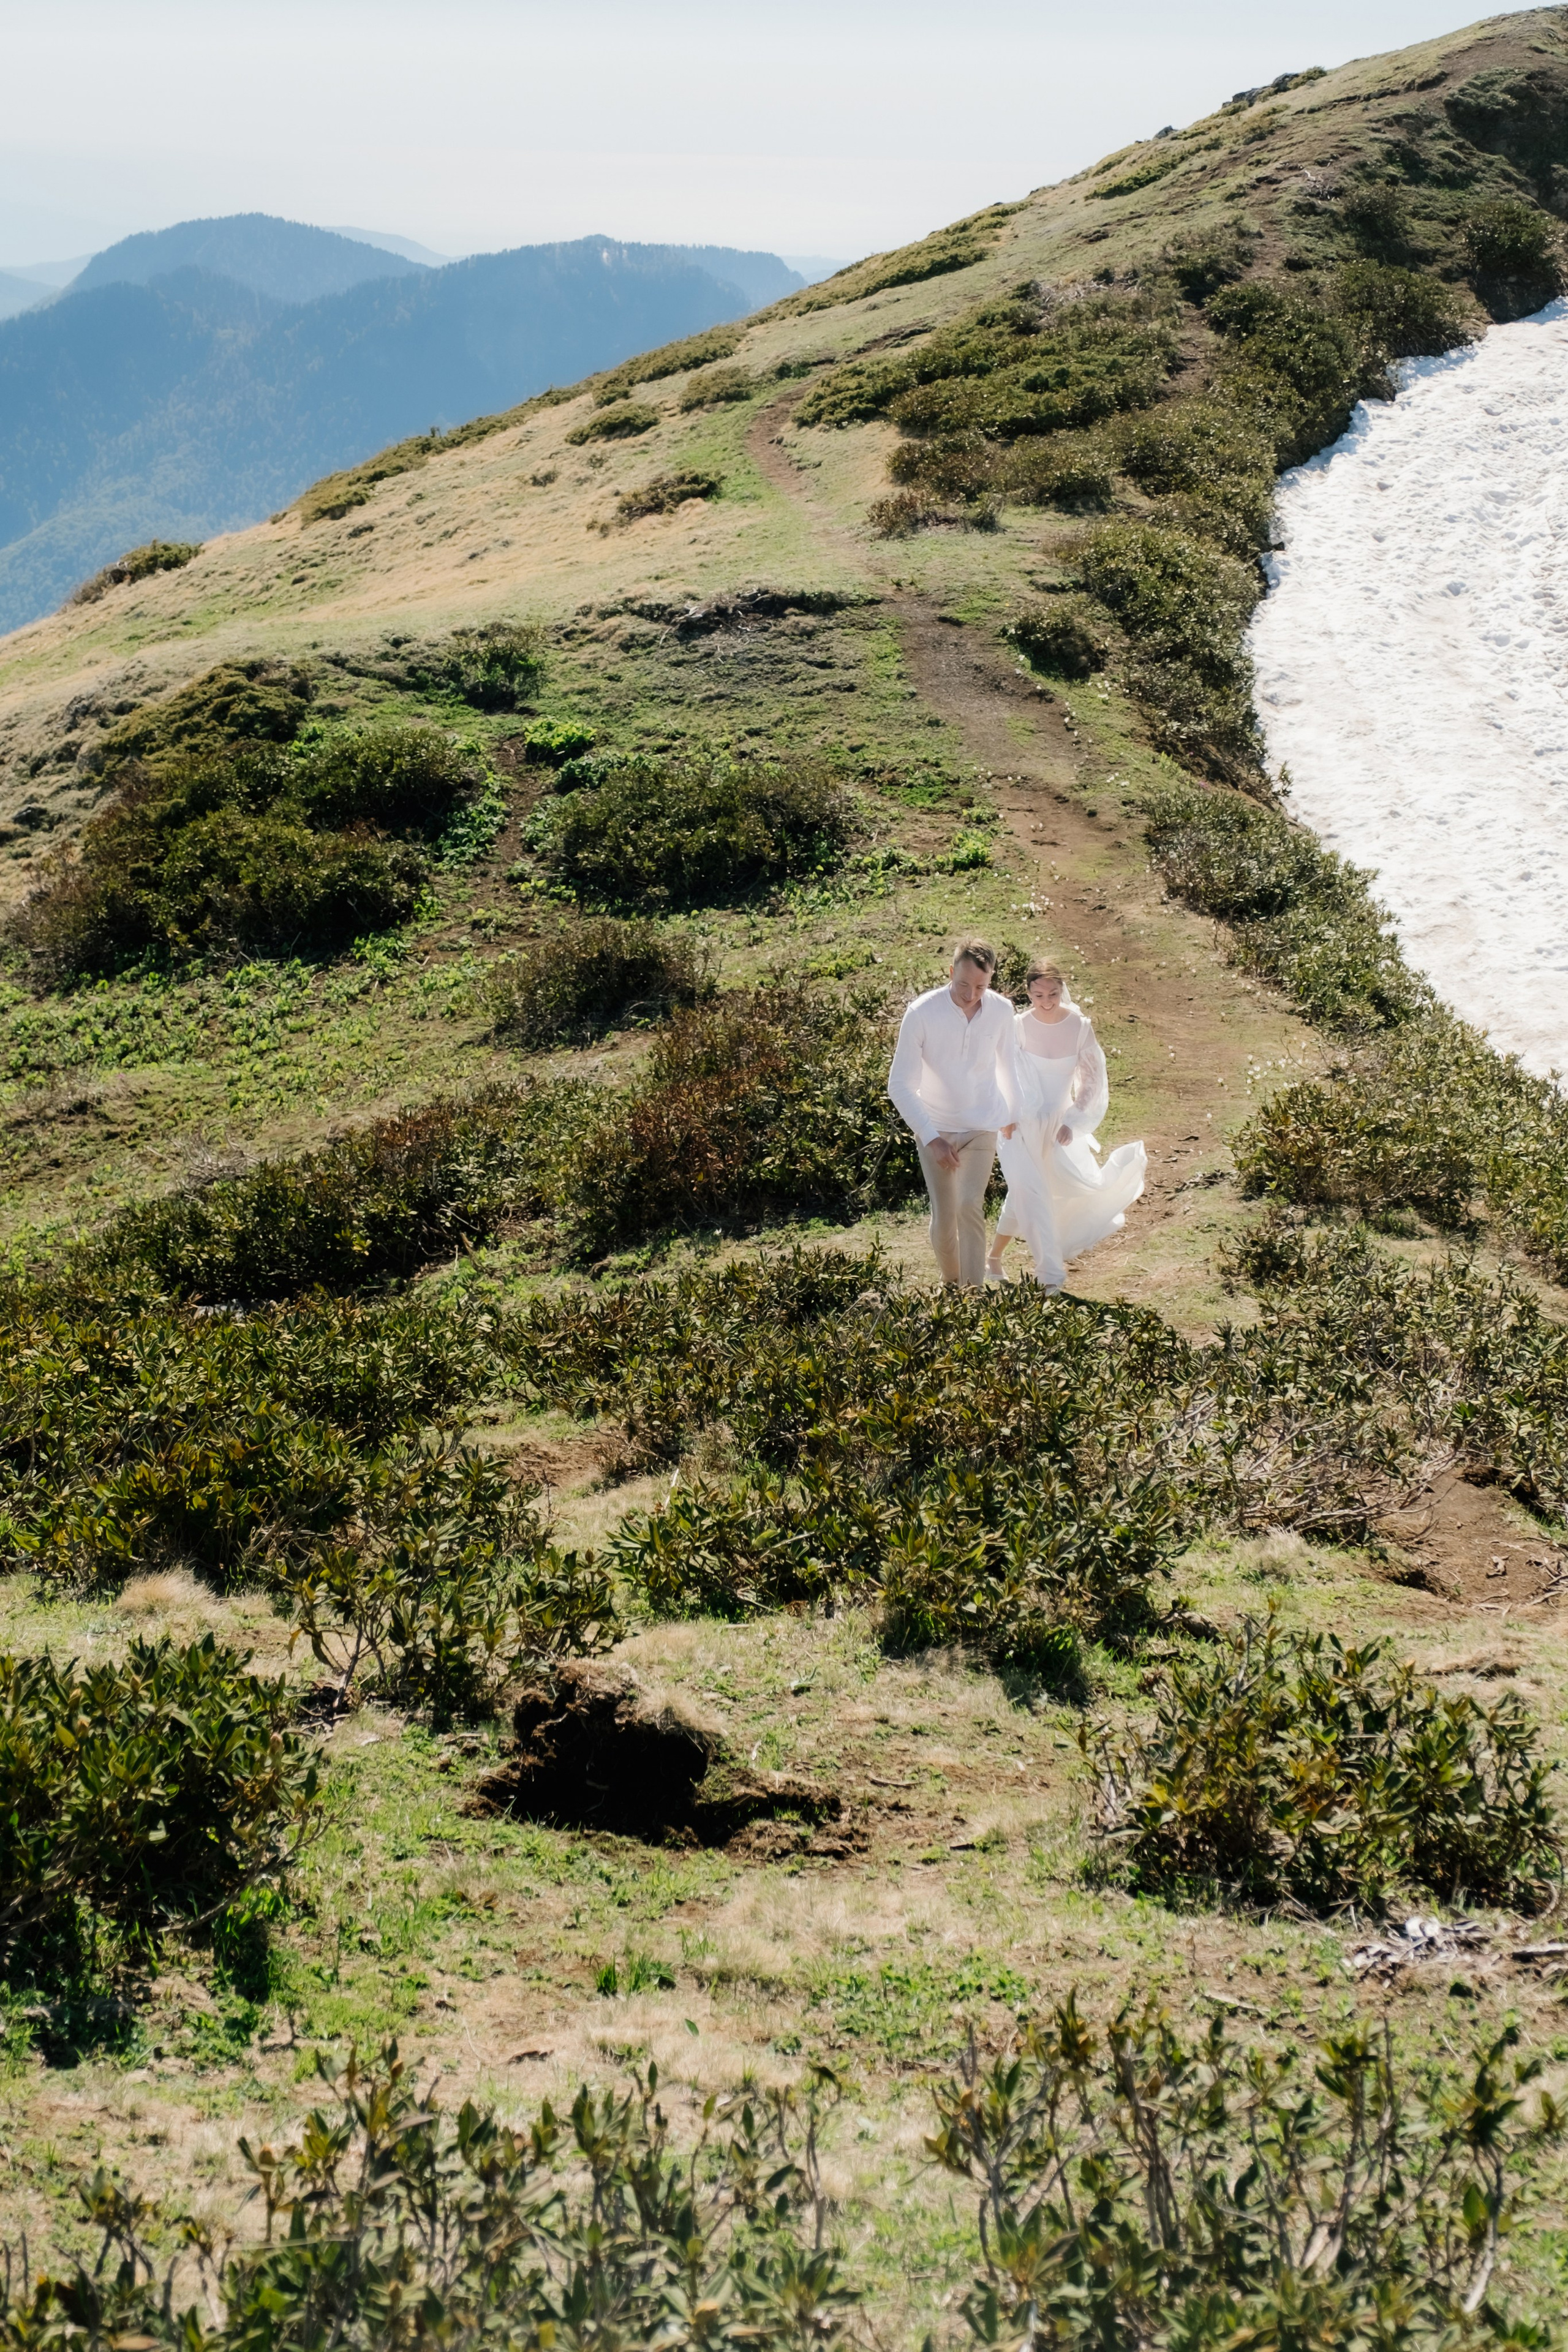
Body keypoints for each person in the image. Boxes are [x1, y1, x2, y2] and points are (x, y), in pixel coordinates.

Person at [986, 957, 1145, 1290]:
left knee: (1031, 1194)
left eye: (1053, 994)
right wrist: (1007, 1114)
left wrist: (1073, 1121)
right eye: (1038, 995)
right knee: (1029, 1192)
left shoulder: (1079, 1026)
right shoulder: (1016, 1026)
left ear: (1063, 990)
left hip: (1059, 1127)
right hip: (1021, 1125)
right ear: (1028, 992)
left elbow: (1092, 1081)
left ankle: (994, 1258)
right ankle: (1050, 1277)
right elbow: (1003, 1075)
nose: (1046, 1002)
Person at [887, 938, 1020, 1288]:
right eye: (963, 984)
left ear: (991, 978)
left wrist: (1012, 1110)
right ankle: (952, 1284)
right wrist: (931, 1138)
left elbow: (1010, 1066)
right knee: (945, 1220)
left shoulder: (1003, 1011)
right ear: (950, 972)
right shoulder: (921, 1013)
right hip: (936, 1128)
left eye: (981, 986)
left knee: (968, 1206)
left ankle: (973, 1298)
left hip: (981, 1126)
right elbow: (899, 1085)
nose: (971, 994)